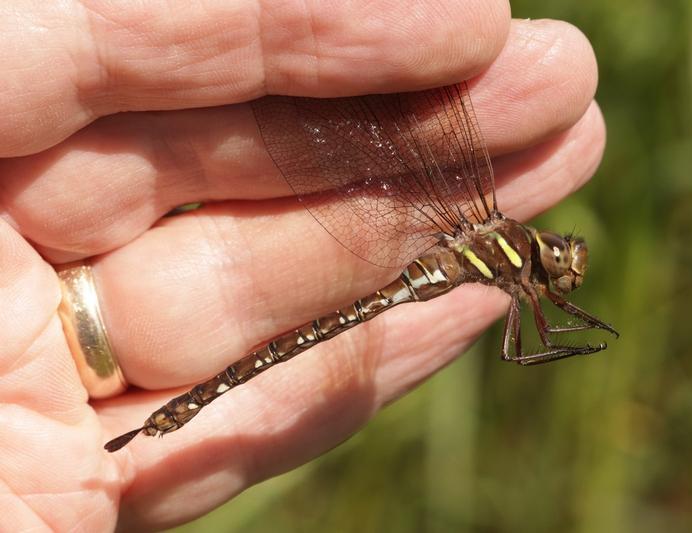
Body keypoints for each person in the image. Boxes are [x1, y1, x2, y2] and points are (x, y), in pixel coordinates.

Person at [0, 2, 604, 530]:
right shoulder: (515, 260)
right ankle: (158, 422)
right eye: (560, 257)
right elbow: (527, 344)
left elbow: (525, 344)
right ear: (538, 254)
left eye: (562, 265)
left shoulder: (512, 264)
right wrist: (581, 339)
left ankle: (146, 427)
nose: (560, 268)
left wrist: (578, 338)